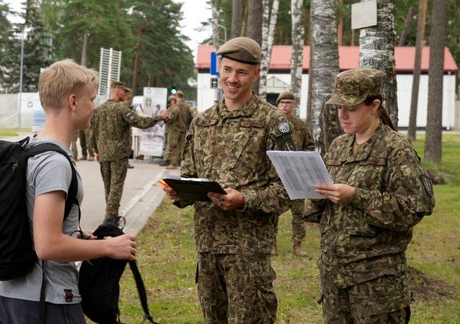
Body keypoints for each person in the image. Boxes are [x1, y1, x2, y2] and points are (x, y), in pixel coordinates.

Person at [163, 36, 295, 323]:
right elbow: (191, 177)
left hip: (247, 253)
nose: (232, 79)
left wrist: (245, 199)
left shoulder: (273, 123)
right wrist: (180, 193)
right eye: (227, 70)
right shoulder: (203, 121)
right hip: (207, 247)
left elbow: (288, 189)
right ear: (219, 69)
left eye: (242, 72)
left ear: (256, 74)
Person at [0, 59, 137, 324]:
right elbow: (47, 245)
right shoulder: (55, 163)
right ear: (73, 102)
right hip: (46, 302)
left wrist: (76, 235)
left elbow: (31, 220)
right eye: (91, 99)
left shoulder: (29, 149)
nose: (94, 107)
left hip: (13, 297)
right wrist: (109, 247)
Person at [304, 68, 435, 323]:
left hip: (376, 283)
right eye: (339, 106)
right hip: (336, 278)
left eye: (350, 108)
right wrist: (318, 195)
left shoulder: (395, 148)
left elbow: (414, 208)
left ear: (374, 105)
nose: (342, 114)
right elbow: (329, 211)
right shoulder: (340, 145)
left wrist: (356, 196)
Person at [90, 80, 169, 224]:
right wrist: (160, 117)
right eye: (124, 91)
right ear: (117, 90)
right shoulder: (121, 109)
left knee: (108, 186)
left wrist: (96, 151)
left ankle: (111, 214)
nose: (125, 95)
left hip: (104, 154)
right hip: (119, 154)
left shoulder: (98, 109)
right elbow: (140, 122)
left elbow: (92, 132)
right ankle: (109, 219)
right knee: (116, 186)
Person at [272, 91, 315, 256]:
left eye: (289, 103)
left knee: (298, 210)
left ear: (294, 105)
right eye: (282, 103)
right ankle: (272, 244)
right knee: (273, 209)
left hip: (296, 173)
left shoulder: (300, 125)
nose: (285, 106)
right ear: (277, 105)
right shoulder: (272, 123)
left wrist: (303, 161)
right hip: (276, 173)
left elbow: (309, 145)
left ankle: (298, 244)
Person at [164, 92, 191, 169]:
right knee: (180, 146)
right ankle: (178, 162)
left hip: (175, 128)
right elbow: (189, 117)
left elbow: (172, 118)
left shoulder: (175, 106)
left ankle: (173, 163)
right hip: (183, 127)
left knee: (173, 145)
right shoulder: (186, 105)